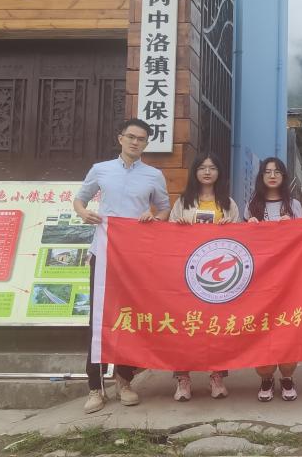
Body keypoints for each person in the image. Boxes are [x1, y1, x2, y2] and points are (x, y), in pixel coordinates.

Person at [73, 118, 170, 414]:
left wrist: (154, 218)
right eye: (131, 137)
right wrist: (83, 213)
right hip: (103, 253)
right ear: (121, 138)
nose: (135, 142)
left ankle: (124, 381)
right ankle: (95, 387)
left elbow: (164, 209)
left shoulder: (153, 175)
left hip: (135, 257)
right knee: (99, 317)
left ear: (146, 144)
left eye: (141, 139)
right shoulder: (101, 169)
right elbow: (80, 199)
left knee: (130, 317)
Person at [168, 152, 240, 401]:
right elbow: (168, 235)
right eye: (202, 167)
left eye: (212, 168)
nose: (207, 172)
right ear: (195, 172)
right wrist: (178, 227)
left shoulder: (228, 203)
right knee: (184, 325)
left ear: (219, 173)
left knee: (217, 326)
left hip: (218, 279)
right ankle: (183, 379)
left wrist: (230, 228)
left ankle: (217, 376)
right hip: (187, 274)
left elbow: (240, 238)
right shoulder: (183, 201)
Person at [245, 157, 302, 402]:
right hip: (259, 280)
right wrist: (249, 226)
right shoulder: (252, 205)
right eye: (267, 172)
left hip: (289, 278)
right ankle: (265, 378)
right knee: (262, 329)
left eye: (277, 172)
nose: (272, 176)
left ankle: (287, 377)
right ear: (261, 176)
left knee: (288, 328)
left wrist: (293, 226)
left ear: (283, 176)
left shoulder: (294, 205)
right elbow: (242, 244)